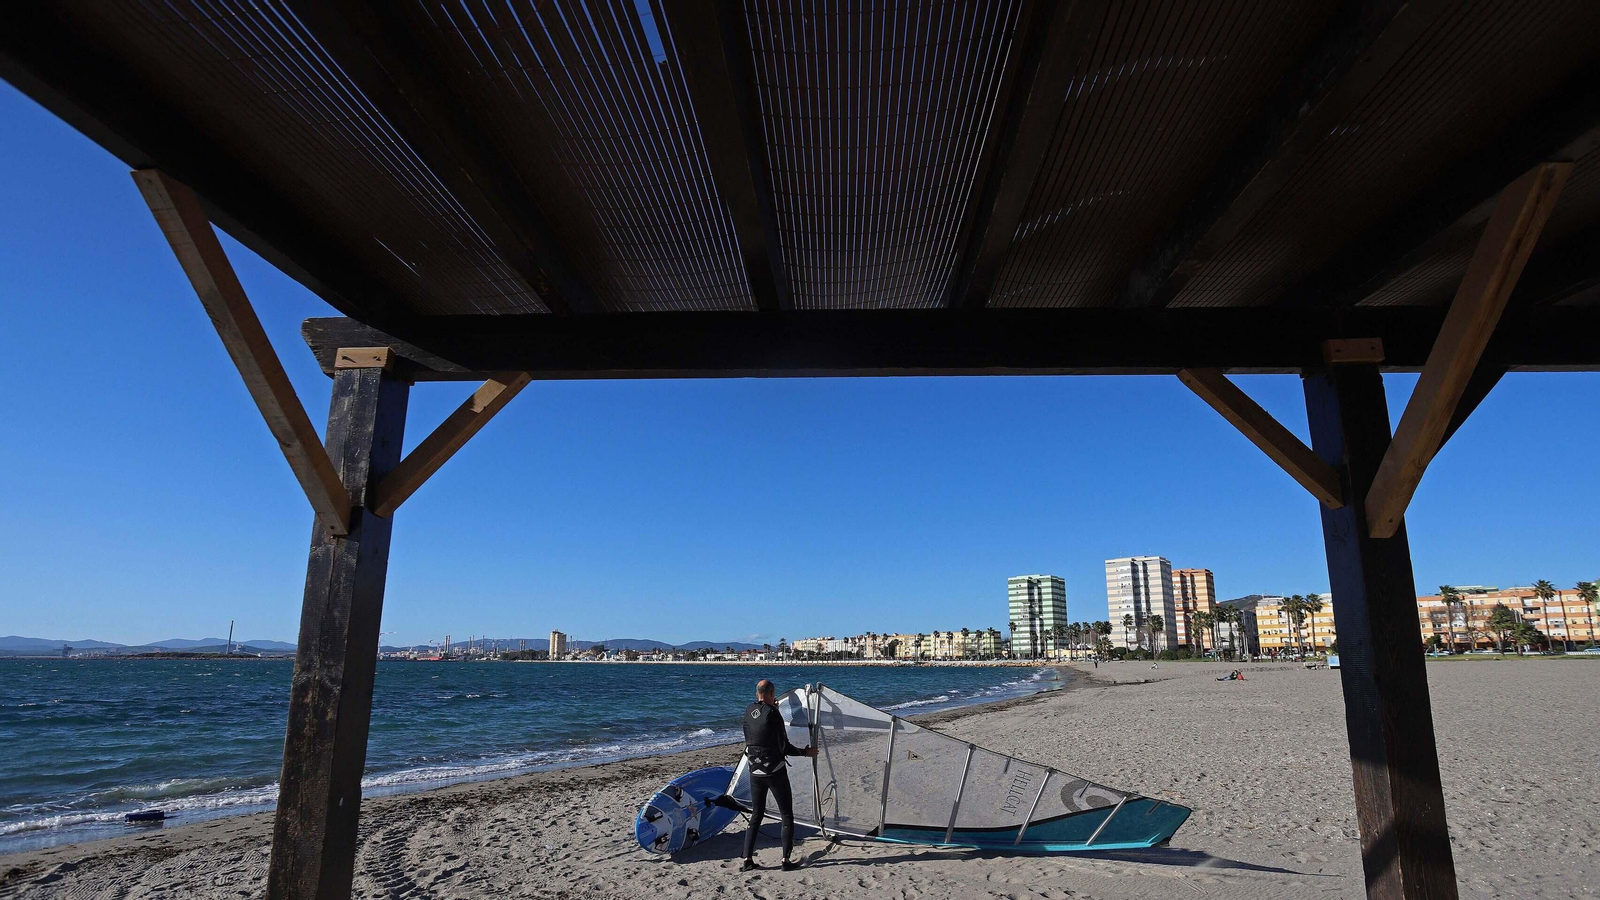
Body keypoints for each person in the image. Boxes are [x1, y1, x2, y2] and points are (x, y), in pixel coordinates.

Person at [741, 679, 815, 871]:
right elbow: (785, 747)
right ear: (772, 694)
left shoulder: (748, 710)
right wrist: (805, 752)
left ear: (757, 693)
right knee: (786, 814)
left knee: (757, 814)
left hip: (755, 771)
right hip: (774, 772)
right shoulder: (774, 714)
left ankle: (747, 859)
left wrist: (772, 709)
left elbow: (754, 736)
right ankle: (785, 861)